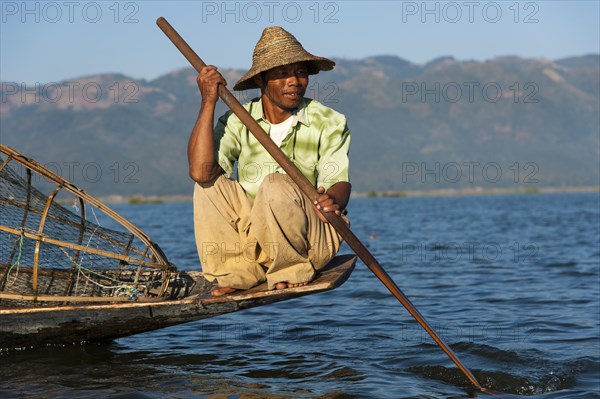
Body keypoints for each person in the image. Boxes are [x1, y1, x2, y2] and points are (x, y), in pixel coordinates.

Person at [188, 26, 351, 296]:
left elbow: (340, 181)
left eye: (300, 72)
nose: (295, 81)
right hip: (256, 239)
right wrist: (208, 102)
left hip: (310, 240)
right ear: (262, 80)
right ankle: (238, 271)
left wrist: (332, 201)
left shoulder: (329, 121)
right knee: (208, 185)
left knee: (275, 183)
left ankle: (290, 269)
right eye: (282, 74)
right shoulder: (238, 119)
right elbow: (200, 172)